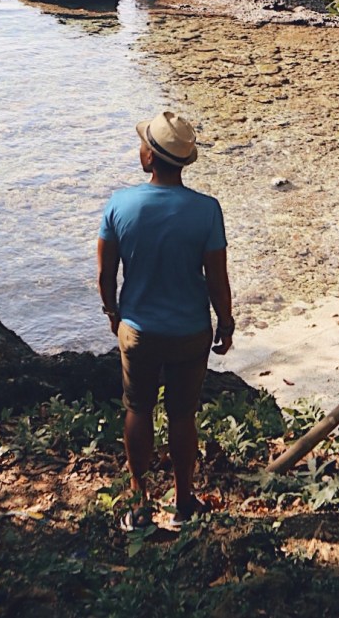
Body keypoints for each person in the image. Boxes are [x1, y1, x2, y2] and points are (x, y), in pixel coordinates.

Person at [97, 110, 235, 530]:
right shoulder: (206, 210)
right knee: (182, 415)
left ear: (150, 158)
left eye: (143, 145)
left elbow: (105, 274)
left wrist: (112, 312)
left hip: (138, 330)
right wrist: (226, 323)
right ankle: (182, 503)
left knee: (138, 409)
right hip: (190, 332)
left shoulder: (119, 205)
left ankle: (139, 504)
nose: (140, 149)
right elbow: (217, 280)